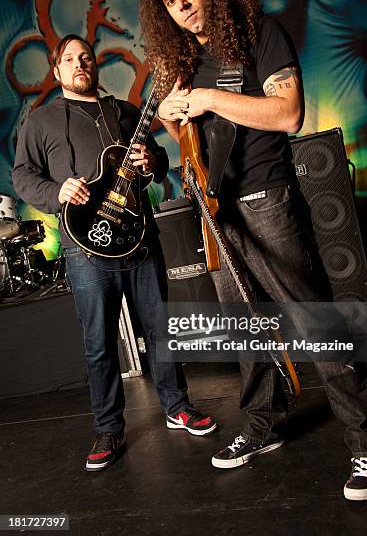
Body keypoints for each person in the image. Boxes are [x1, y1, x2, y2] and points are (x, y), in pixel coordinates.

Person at [139, 0, 367, 501]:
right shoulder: (181, 62)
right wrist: (170, 110)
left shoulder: (259, 35)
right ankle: (261, 424)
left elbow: (288, 113)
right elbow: (171, 119)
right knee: (246, 331)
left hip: (266, 200)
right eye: (170, 1)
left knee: (314, 321)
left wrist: (206, 98)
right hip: (214, 210)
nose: (182, 5)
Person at [12, 34, 217, 472]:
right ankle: (108, 427)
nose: (79, 63)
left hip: (139, 239)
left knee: (160, 326)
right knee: (99, 342)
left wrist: (152, 163)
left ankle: (177, 405)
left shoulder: (123, 112)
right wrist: (56, 189)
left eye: (85, 57)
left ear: (95, 64)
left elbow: (160, 158)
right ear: (57, 71)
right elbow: (24, 178)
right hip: (84, 250)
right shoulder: (41, 121)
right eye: (69, 59)